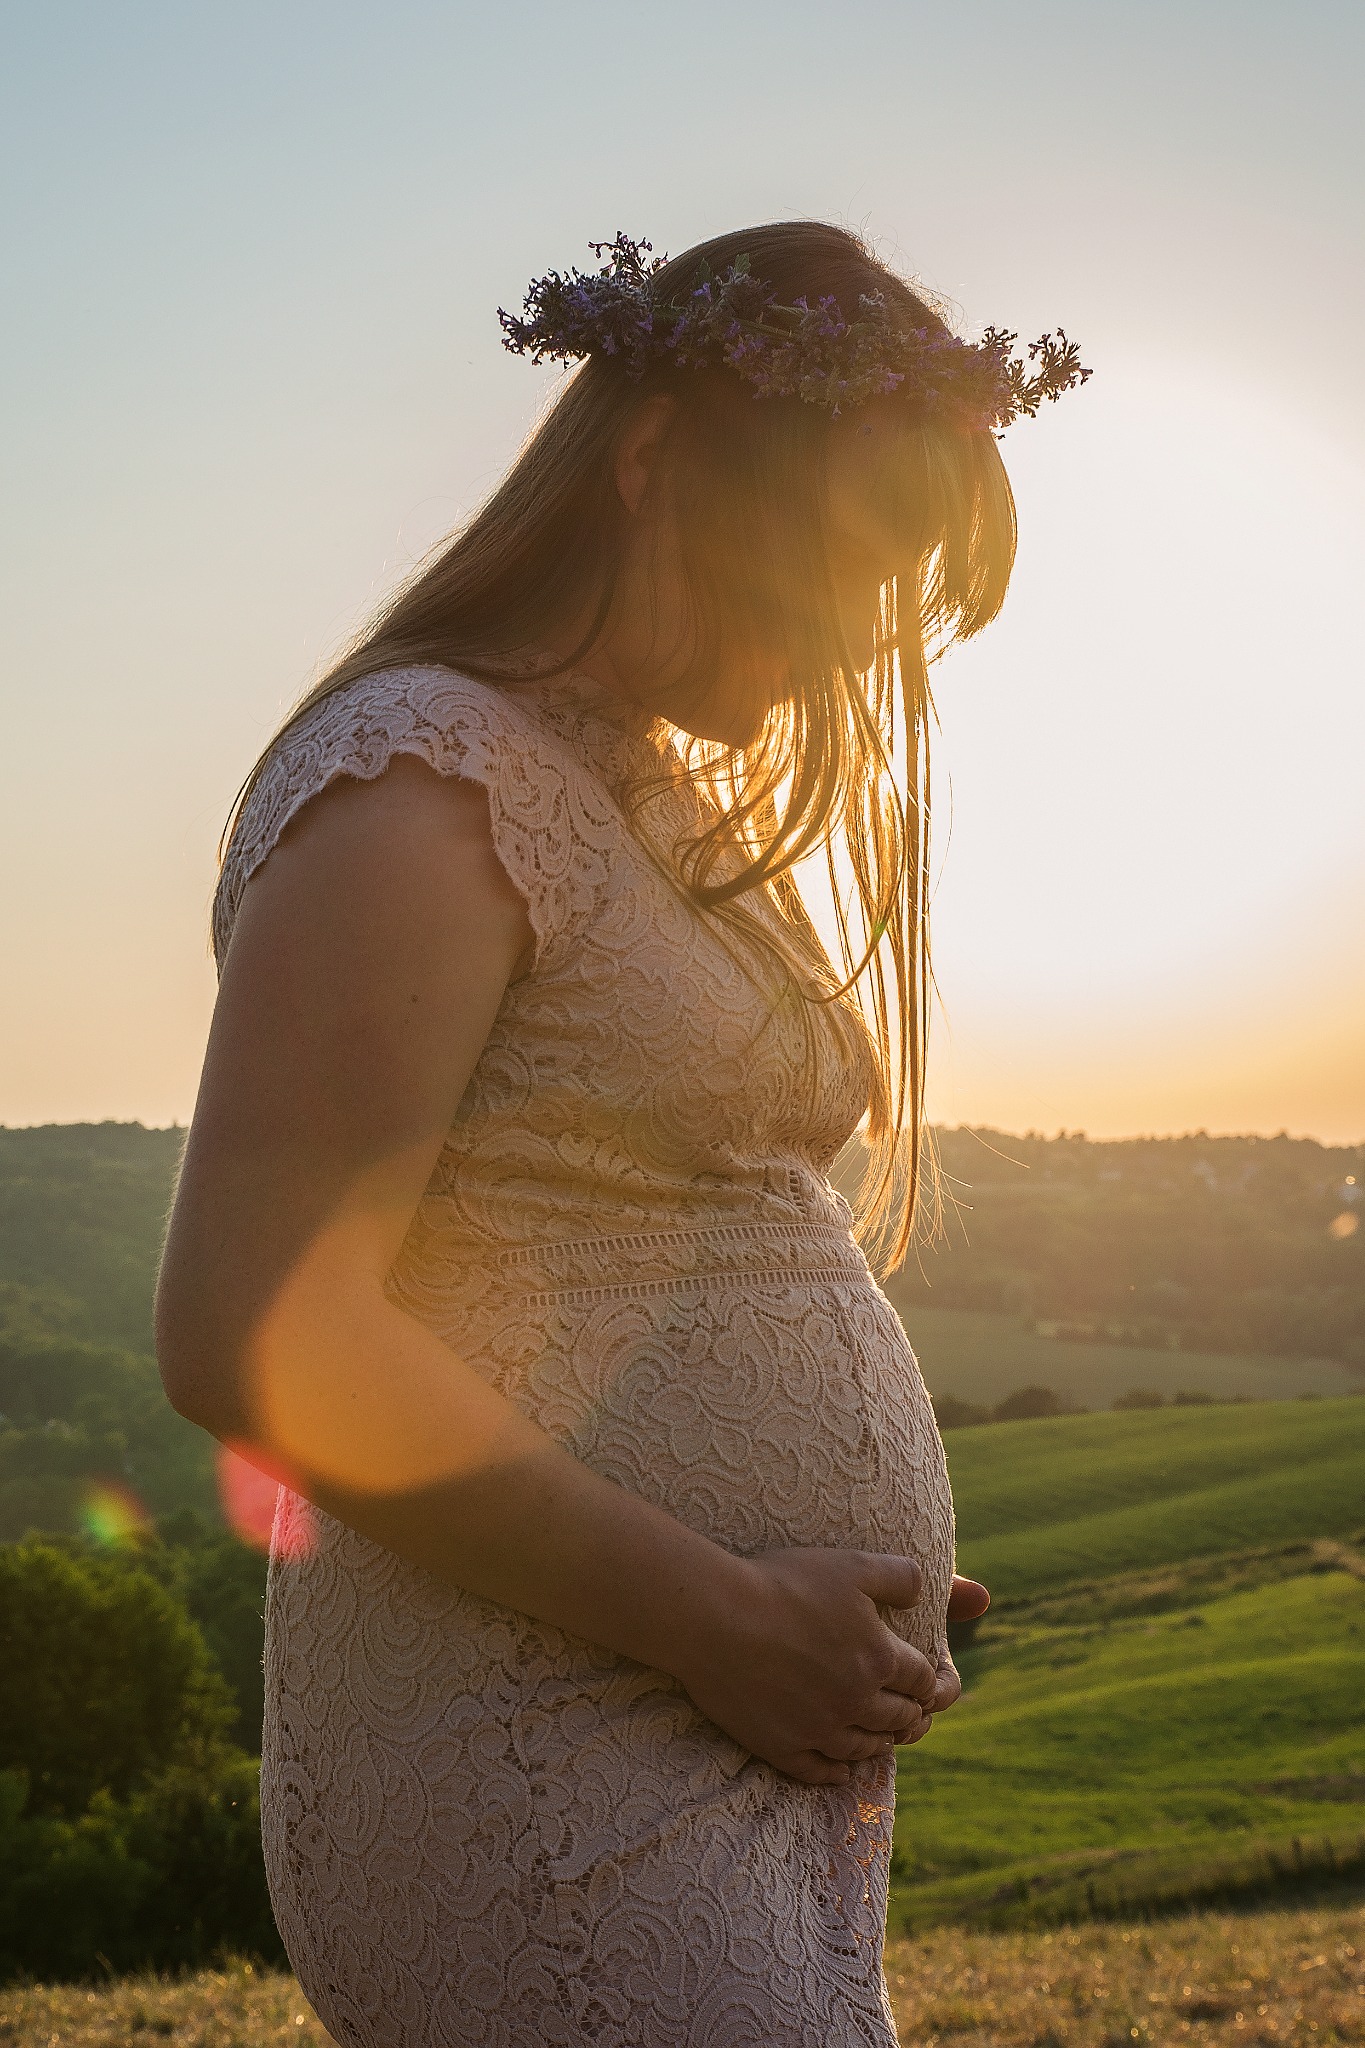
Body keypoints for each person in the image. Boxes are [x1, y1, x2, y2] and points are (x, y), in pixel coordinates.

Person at [155, 222, 1087, 2047]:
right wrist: (717, 1605)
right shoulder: (428, 774)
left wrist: (829, 1572)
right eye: (835, 573)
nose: (854, 645)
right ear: (652, 466)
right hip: (534, 1739)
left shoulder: (632, 773)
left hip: (698, 1713)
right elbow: (254, 1330)